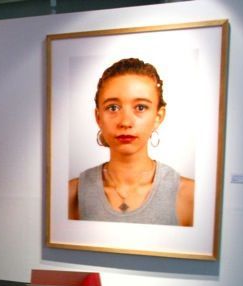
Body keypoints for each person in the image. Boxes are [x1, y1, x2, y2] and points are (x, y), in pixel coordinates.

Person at [68, 58, 194, 226]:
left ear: (158, 117)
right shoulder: (71, 193)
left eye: (140, 107)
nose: (125, 122)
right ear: (98, 117)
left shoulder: (190, 195)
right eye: (113, 107)